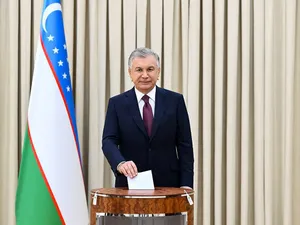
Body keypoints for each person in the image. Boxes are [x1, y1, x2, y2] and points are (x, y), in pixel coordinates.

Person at [102, 47, 194, 189]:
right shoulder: (117, 103)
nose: (145, 75)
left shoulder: (175, 101)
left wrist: (186, 184)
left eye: (150, 69)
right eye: (139, 70)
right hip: (130, 182)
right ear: (130, 73)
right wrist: (120, 163)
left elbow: (185, 145)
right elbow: (108, 141)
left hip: (169, 185)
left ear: (158, 72)